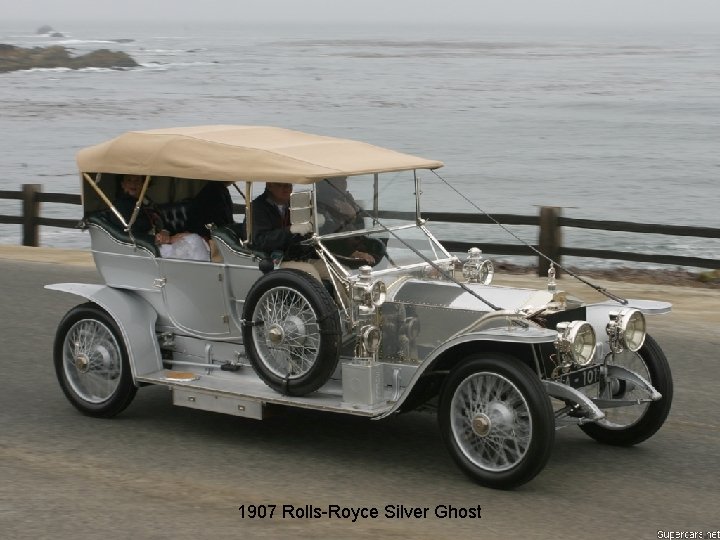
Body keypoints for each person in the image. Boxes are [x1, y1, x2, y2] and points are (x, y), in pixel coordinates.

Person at [114, 174, 210, 261]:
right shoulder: (122, 205)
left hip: (160, 244)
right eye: (129, 180)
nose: (133, 184)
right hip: (146, 248)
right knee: (194, 240)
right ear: (122, 184)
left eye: (137, 181)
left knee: (197, 240)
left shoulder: (146, 202)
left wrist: (166, 232)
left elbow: (161, 222)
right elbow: (130, 233)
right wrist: (162, 239)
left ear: (143, 184)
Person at [315, 177, 381, 266]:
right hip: (337, 247)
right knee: (367, 260)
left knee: (378, 246)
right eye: (339, 180)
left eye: (344, 180)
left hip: (354, 239)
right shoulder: (320, 202)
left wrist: (352, 214)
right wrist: (353, 252)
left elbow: (360, 225)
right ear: (328, 184)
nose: (344, 183)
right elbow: (328, 231)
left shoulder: (346, 198)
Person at [248, 182, 313, 260]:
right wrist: (289, 230)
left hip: (293, 255)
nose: (286, 188)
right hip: (267, 260)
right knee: (311, 270)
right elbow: (261, 241)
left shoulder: (293, 204)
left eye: (289, 185)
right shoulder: (257, 207)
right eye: (280, 185)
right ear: (269, 186)